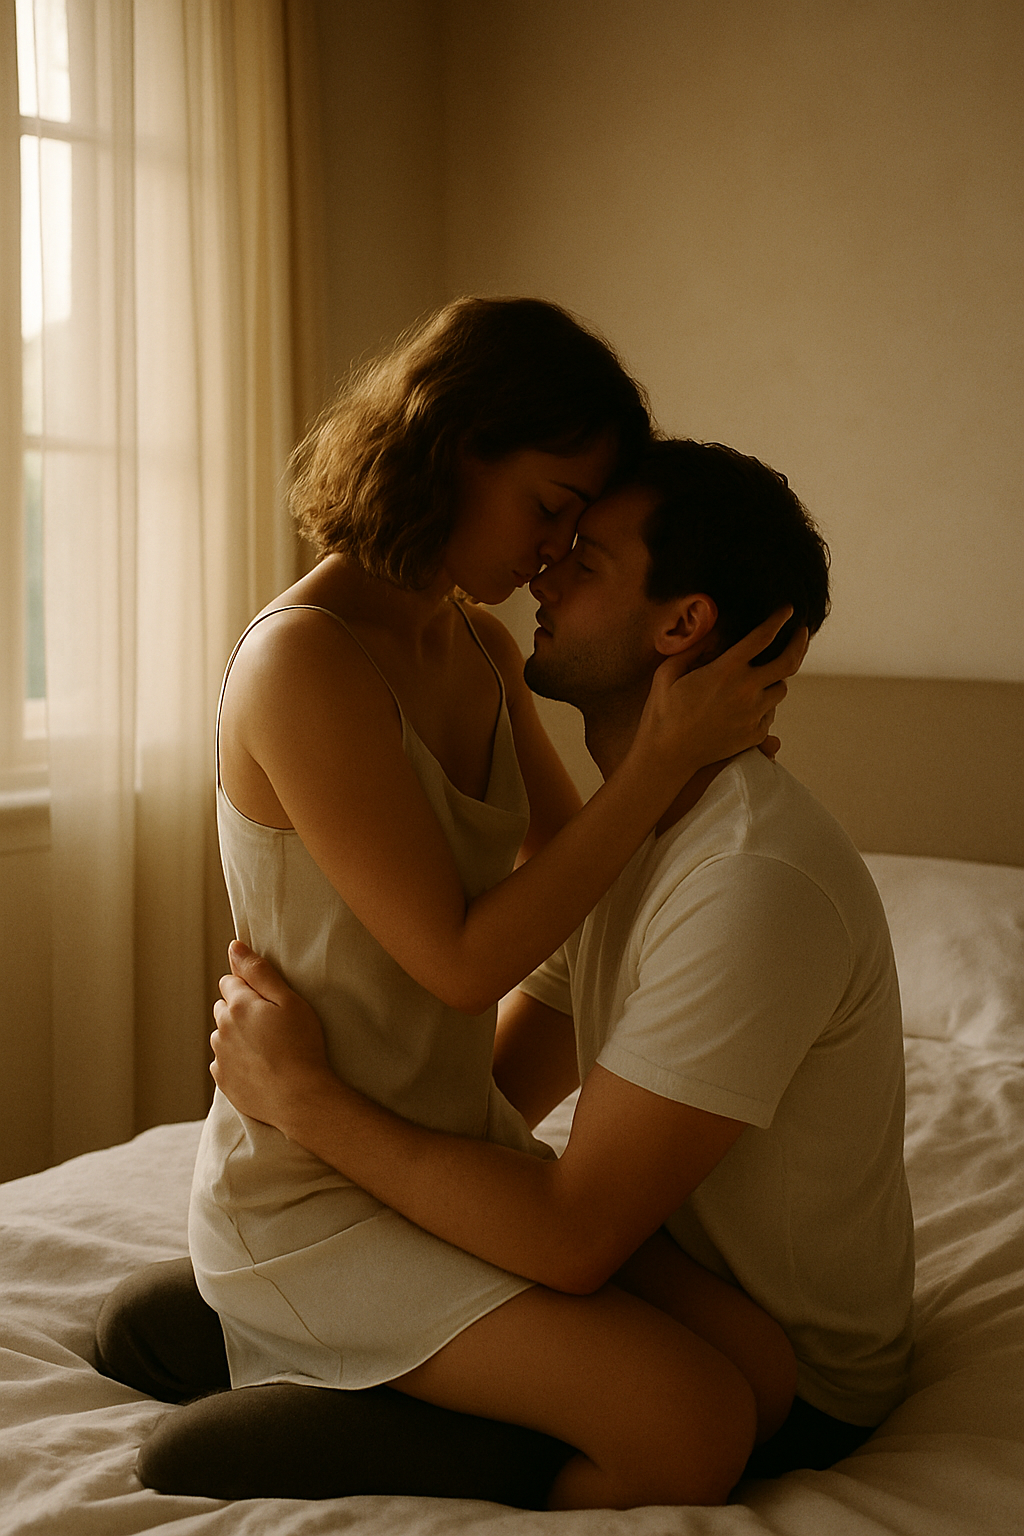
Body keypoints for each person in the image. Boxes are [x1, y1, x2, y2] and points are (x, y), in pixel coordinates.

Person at [95, 305, 805, 1511]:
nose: (555, 551)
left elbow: (574, 869)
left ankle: (358, 1379)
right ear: (450, 447)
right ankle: (271, 1409)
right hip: (312, 1190)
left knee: (762, 1372)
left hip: (445, 1154)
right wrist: (656, 765)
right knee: (688, 1426)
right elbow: (462, 963)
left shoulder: (471, 645)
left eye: (578, 522)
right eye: (549, 505)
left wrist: (702, 762)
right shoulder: (304, 660)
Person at [176, 438, 915, 1495]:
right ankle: (322, 1337)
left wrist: (305, 1100)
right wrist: (323, 1220)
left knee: (699, 1401)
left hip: (798, 1378)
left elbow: (570, 1234)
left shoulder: (751, 881)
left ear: (681, 625)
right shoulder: (622, 843)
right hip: (654, 1270)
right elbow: (501, 1092)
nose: (543, 573)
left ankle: (383, 1414)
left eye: (587, 560)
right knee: (206, 1297)